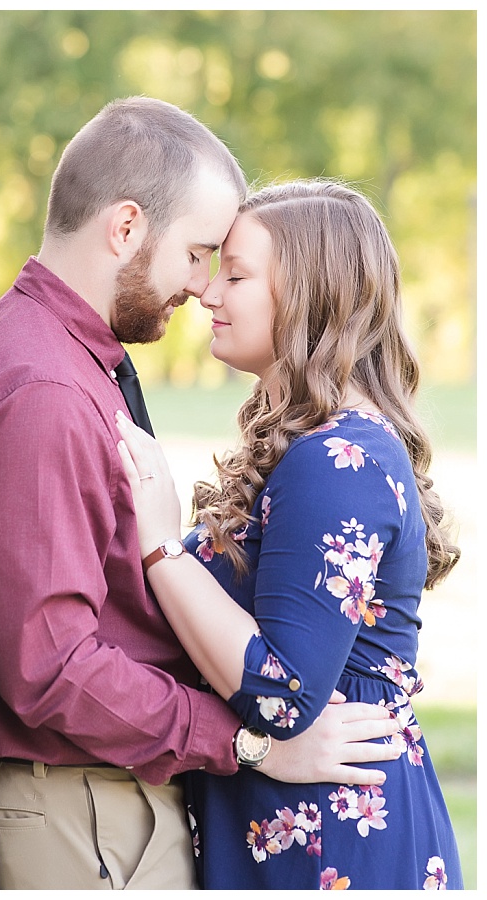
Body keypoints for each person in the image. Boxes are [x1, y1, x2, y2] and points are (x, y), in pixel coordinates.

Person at [0, 98, 403, 890]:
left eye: (224, 267)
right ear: (126, 228)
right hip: (86, 814)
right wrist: (245, 743)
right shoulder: (45, 389)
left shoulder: (73, 363)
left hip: (109, 799)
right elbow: (49, 666)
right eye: (196, 254)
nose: (201, 286)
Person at [115, 179, 463, 890]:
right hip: (299, 826)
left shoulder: (337, 461)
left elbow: (285, 692)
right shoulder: (318, 446)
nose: (208, 293)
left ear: (308, 296)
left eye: (236, 275)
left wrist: (160, 549)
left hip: (331, 844)